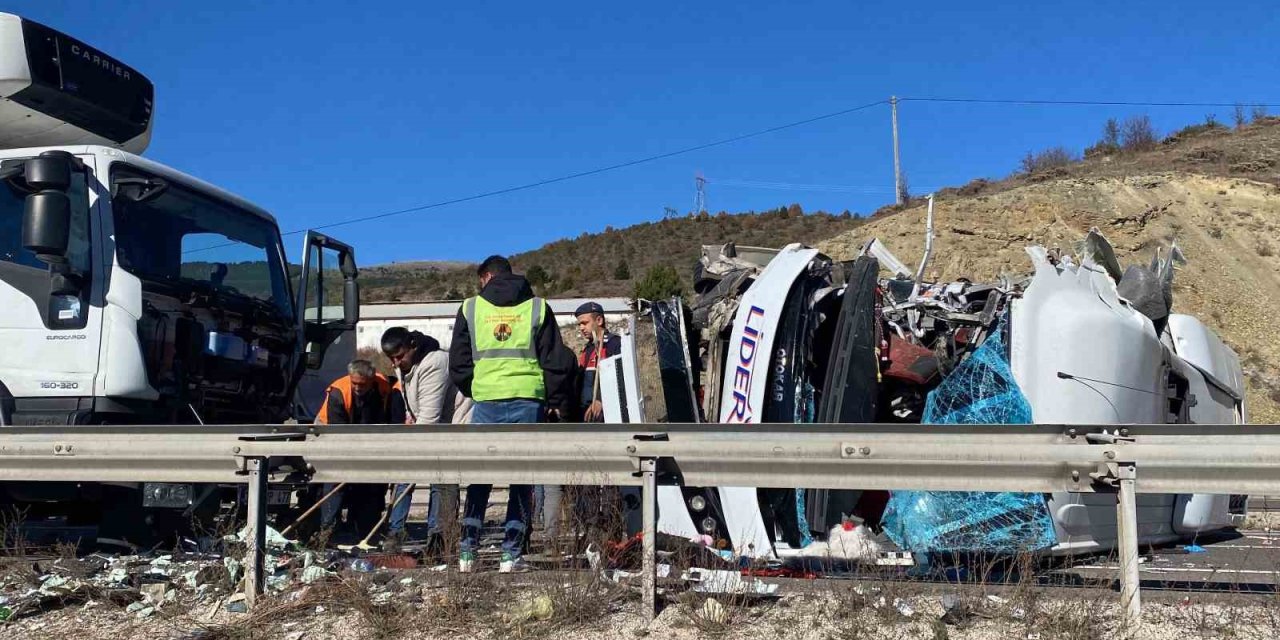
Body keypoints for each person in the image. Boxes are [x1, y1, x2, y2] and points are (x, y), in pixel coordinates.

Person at [450, 255, 570, 572]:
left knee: (480, 476)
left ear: (486, 276)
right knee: (522, 478)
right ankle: (510, 555)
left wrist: (475, 387)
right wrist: (554, 399)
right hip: (528, 398)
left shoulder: (470, 308)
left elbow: (458, 363)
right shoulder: (537, 307)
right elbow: (555, 360)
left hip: (487, 399)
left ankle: (467, 553)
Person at [380, 327, 474, 551]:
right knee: (405, 475)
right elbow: (413, 402)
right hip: (428, 426)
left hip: (451, 429)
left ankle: (439, 537)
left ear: (412, 345)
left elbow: (430, 416)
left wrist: (416, 433)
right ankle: (396, 531)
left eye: (399, 356)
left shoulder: (435, 362)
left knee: (441, 480)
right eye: (391, 358)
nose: (395, 363)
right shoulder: (405, 366)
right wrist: (410, 418)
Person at [314, 359, 400, 535]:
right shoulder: (339, 392)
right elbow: (338, 435)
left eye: (362, 384)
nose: (358, 387)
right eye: (354, 383)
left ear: (371, 380)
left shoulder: (384, 387)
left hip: (367, 437)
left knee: (372, 482)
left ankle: (365, 525)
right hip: (331, 432)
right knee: (334, 477)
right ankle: (328, 528)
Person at [574, 302, 623, 423]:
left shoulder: (614, 344)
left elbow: (619, 376)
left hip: (607, 413)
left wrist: (601, 399)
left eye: (585, 323)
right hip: (586, 412)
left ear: (599, 320)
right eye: (579, 324)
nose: (581, 328)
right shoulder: (588, 349)